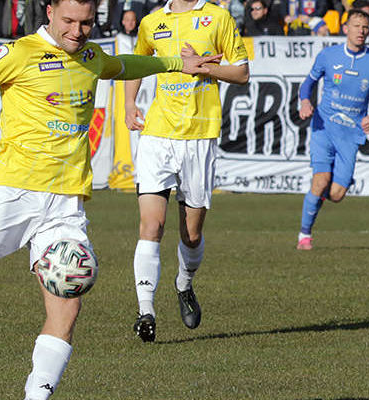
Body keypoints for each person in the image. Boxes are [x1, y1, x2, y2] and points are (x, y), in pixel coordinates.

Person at [0, 0, 217, 397]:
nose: (78, 32)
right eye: (68, 21)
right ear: (48, 12)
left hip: (65, 206)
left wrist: (175, 64)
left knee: (67, 305)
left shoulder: (92, 56)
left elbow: (125, 66)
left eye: (86, 23)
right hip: (13, 194)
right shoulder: (17, 53)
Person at [124, 0, 249, 343]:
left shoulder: (218, 17)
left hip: (199, 137)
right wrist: (129, 104)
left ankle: (184, 282)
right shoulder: (151, 22)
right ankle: (145, 311)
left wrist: (206, 70)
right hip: (157, 134)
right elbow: (136, 64)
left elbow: (241, 72)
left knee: (191, 235)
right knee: (152, 225)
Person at [295, 9, 369, 250]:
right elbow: (307, 84)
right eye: (357, 26)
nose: (361, 31)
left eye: (365, 27)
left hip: (351, 133)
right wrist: (305, 101)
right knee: (320, 180)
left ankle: (325, 193)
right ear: (345, 28)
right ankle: (304, 235)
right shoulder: (328, 55)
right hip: (324, 127)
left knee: (336, 194)